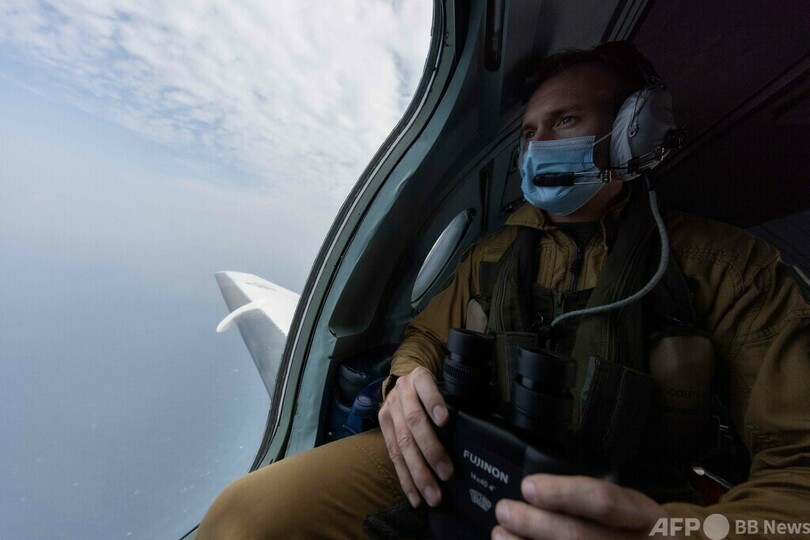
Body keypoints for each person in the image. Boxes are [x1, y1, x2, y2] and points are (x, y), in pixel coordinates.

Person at [197, 42, 810, 539]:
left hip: (634, 502)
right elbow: (424, 337)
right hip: (469, 462)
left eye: (565, 121)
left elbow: (799, 470)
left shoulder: (729, 268)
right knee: (248, 515)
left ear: (634, 132)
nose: (539, 145)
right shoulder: (493, 254)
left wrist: (676, 532)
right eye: (530, 132)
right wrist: (405, 381)